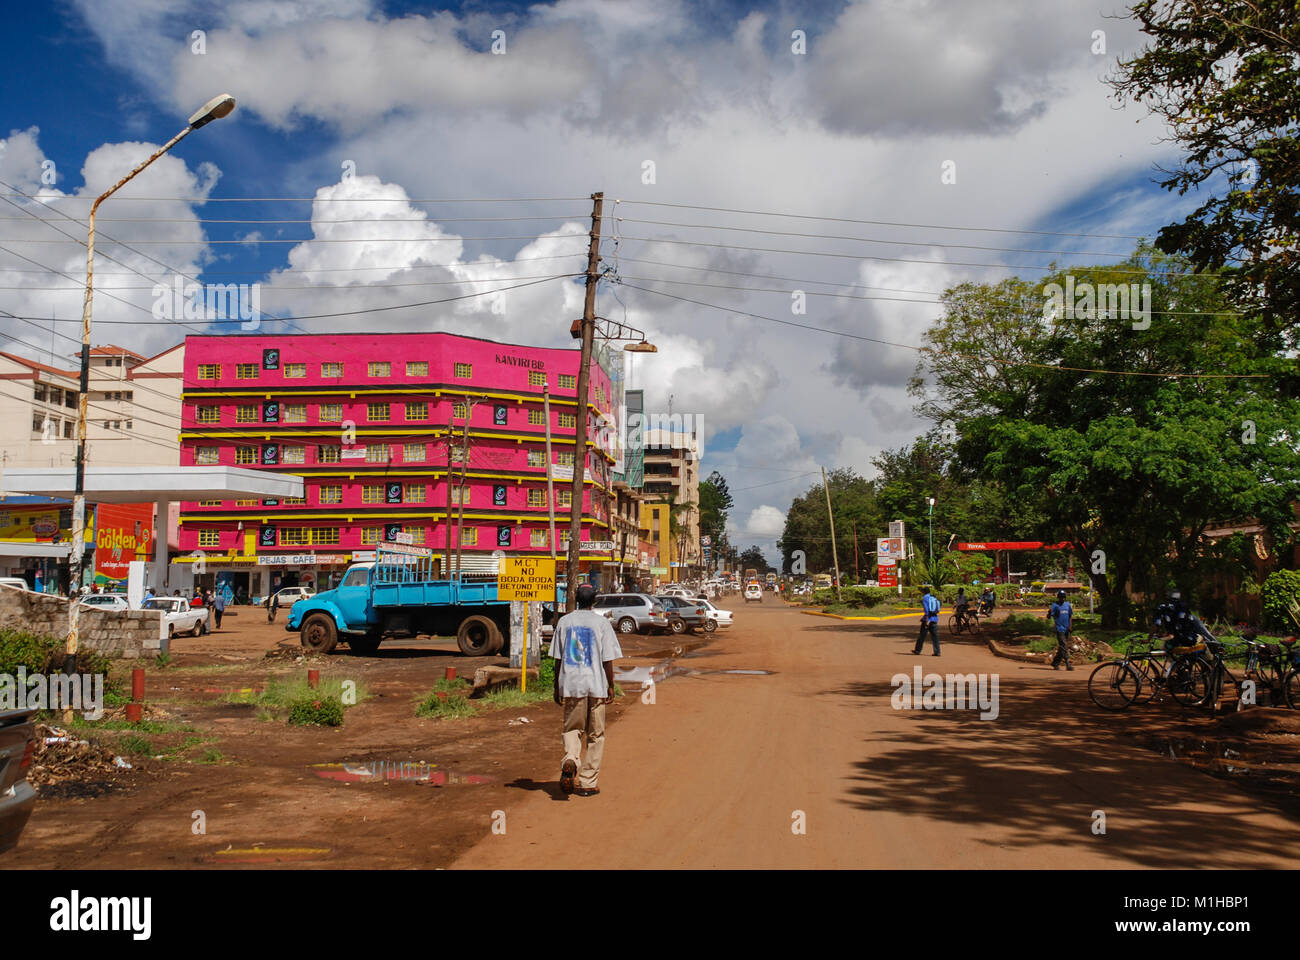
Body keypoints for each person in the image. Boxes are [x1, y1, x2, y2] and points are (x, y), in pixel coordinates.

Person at [549, 582, 623, 797]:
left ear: (576, 597)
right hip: (596, 685)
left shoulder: (564, 622)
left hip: (572, 686)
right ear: (595, 600)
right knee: (596, 734)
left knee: (572, 729)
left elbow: (557, 659)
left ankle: (571, 758)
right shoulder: (601, 624)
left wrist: (557, 686)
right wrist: (611, 686)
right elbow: (607, 659)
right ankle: (588, 782)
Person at [1048, 589, 1074, 670]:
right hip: (1059, 629)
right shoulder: (1055, 605)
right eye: (1061, 597)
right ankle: (1067, 664)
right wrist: (1049, 613)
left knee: (1062, 647)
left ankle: (1055, 663)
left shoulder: (1067, 605)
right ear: (1058, 597)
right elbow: (1049, 617)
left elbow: (1070, 616)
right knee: (1064, 646)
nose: (1062, 599)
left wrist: (1070, 626)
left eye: (1063, 597)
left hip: (1066, 628)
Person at [913, 586, 941, 656]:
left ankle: (918, 650)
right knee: (935, 637)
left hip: (927, 620)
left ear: (924, 592)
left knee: (922, 635)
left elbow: (926, 610)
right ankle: (937, 652)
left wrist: (926, 619)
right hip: (934, 619)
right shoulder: (933, 597)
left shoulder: (925, 598)